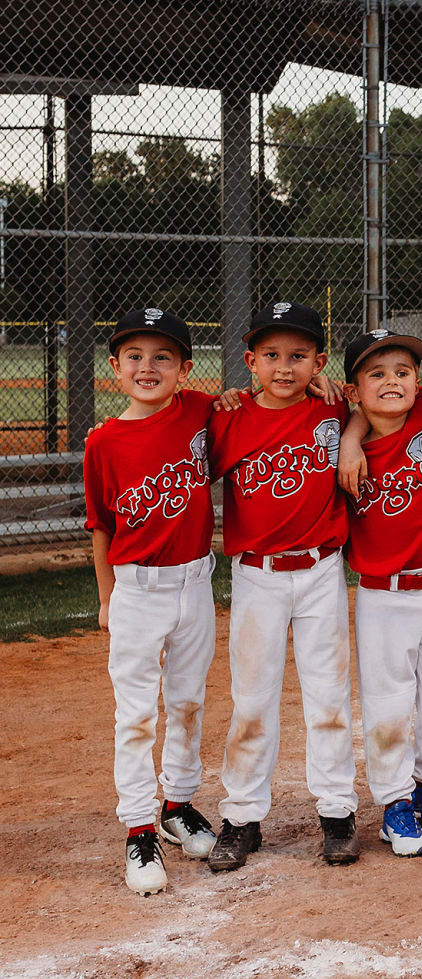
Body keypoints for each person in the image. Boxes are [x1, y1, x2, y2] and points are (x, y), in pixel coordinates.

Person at [206, 302, 362, 873]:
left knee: (328, 698)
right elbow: (173, 426)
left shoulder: (334, 406)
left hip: (322, 570)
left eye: (298, 356)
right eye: (270, 355)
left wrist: (352, 428)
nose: (284, 366)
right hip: (257, 576)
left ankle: (337, 812)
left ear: (318, 362)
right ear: (250, 361)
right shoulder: (227, 416)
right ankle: (242, 817)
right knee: (252, 701)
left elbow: (384, 395)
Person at [86, 307, 220, 895]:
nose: (148, 367)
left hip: (196, 583)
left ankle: (177, 805)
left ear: (185, 369)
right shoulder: (103, 442)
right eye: (135, 357)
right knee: (136, 714)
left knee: (189, 701)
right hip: (136, 590)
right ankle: (139, 827)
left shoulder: (200, 411)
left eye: (163, 357)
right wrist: (105, 599)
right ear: (114, 368)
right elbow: (101, 528)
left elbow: (264, 401)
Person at [341, 327, 422, 857]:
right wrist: (351, 437)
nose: (392, 382)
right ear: (354, 391)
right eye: (376, 374)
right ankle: (394, 804)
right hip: (383, 595)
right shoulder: (339, 440)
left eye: (402, 373)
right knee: (389, 704)